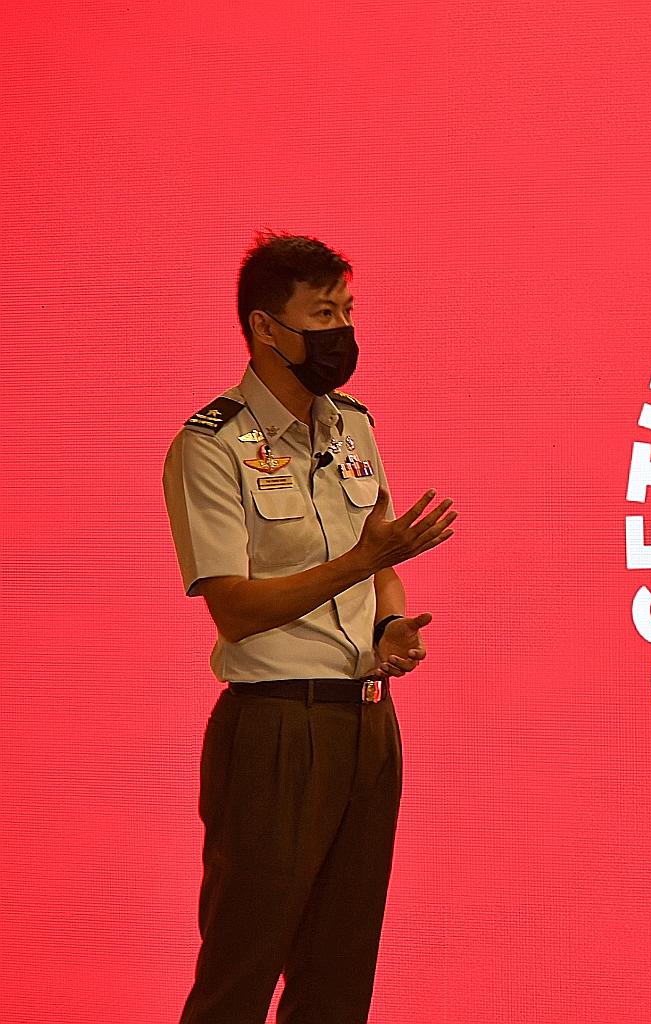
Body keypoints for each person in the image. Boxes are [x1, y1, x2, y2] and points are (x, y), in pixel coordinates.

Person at [161, 231, 456, 1023]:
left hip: (367, 727)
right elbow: (236, 608)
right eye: (323, 314)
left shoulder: (355, 426)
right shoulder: (211, 446)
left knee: (340, 973)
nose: (342, 333)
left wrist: (392, 625)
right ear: (265, 327)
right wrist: (366, 564)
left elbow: (382, 560)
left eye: (349, 311)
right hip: (275, 728)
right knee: (242, 966)